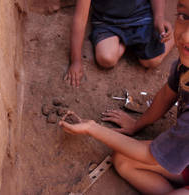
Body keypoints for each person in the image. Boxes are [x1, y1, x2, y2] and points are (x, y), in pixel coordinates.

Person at [59, 0, 189, 194]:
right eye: (184, 16)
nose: (186, 36)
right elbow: (166, 95)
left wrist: (92, 128)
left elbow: (149, 156)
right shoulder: (185, 65)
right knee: (123, 160)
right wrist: (137, 125)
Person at [64, 0, 174, 87]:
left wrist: (159, 17)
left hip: (140, 16)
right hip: (106, 21)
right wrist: (76, 61)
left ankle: (175, 35)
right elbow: (80, 19)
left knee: (152, 61)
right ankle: (127, 41)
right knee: (106, 58)